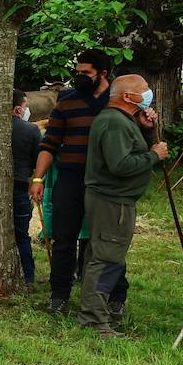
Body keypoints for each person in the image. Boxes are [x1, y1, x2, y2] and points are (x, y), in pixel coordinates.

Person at [31, 48, 120, 315]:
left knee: (106, 240)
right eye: (78, 72)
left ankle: (115, 296)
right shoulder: (67, 100)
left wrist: (149, 121)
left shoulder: (117, 100)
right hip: (70, 178)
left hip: (106, 181)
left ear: (103, 74)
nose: (80, 77)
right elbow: (50, 143)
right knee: (64, 239)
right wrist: (38, 177)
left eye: (86, 73)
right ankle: (59, 296)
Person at [78, 75, 168, 336]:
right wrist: (154, 155)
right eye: (144, 90)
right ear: (128, 97)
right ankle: (94, 320)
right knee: (106, 258)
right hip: (112, 201)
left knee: (101, 255)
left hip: (113, 199)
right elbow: (120, 165)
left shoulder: (122, 120)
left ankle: (95, 313)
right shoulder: (115, 122)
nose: (148, 94)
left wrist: (144, 128)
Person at [11, 89, 43, 285]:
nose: (26, 110)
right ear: (17, 109)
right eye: (25, 106)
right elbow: (37, 159)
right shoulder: (31, 130)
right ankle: (28, 276)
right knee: (21, 234)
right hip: (20, 186)